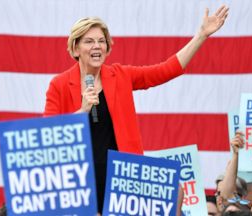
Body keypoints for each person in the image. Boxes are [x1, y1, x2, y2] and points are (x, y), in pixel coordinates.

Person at [44, 6, 229, 213]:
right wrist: (82, 111)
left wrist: (201, 35)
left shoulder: (120, 75)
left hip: (123, 178)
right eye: (89, 41)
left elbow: (166, 70)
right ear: (76, 48)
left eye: (101, 41)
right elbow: (49, 135)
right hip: (80, 180)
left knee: (174, 191)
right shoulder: (59, 85)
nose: (97, 46)